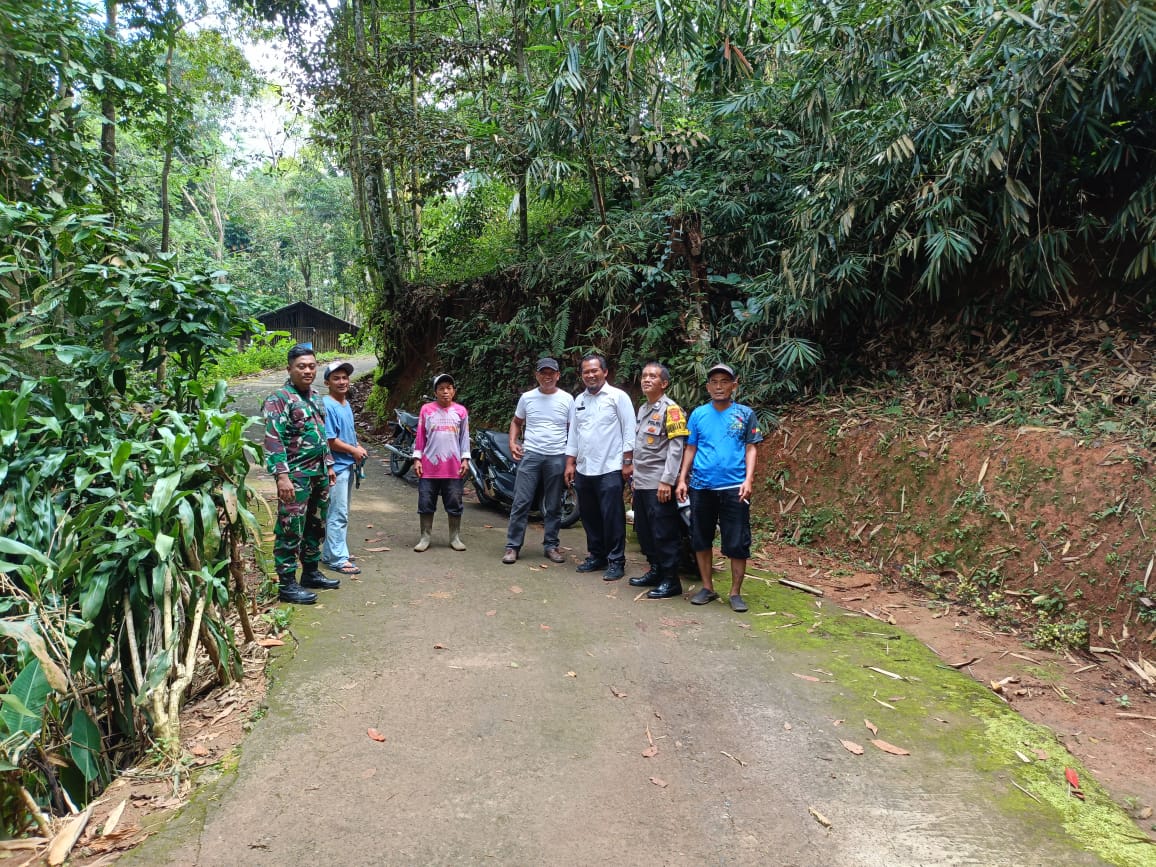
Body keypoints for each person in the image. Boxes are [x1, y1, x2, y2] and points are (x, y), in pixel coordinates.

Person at [675, 362, 763, 612]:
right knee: (701, 538)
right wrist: (682, 479)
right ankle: (707, 588)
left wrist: (748, 479)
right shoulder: (698, 414)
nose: (719, 386)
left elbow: (751, 447)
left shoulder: (745, 414)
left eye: (724, 381)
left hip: (735, 487)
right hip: (701, 486)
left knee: (737, 542)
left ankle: (735, 592)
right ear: (707, 386)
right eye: (714, 382)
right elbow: (690, 447)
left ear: (734, 385)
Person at [263, 344, 340, 605]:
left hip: (318, 474)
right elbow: (274, 440)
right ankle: (287, 585)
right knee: (290, 529)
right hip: (295, 477)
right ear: (289, 368)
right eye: (301, 366)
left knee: (315, 526)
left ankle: (310, 572)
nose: (308, 371)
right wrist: (282, 477)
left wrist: (328, 464)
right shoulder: (279, 399)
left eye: (311, 366)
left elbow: (321, 435)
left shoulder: (316, 397)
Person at [564, 353, 635, 581]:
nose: (590, 375)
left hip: (610, 467)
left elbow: (629, 431)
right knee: (589, 515)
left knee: (612, 516)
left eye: (595, 370)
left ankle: (616, 561)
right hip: (585, 468)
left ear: (605, 372)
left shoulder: (618, 397)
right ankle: (596, 555)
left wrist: (627, 462)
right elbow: (574, 434)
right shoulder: (579, 401)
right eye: (586, 371)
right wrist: (570, 462)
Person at [502, 357, 574, 565]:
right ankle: (512, 546)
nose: (547, 376)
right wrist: (512, 441)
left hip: (557, 455)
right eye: (543, 372)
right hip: (531, 454)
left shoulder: (567, 399)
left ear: (558, 375)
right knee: (521, 501)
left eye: (551, 372)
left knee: (553, 504)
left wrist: (571, 459)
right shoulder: (527, 398)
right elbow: (516, 422)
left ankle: (551, 545)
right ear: (537, 375)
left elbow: (573, 430)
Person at [628, 362, 689, 599]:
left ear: (664, 383)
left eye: (652, 376)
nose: (646, 379)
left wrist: (667, 481)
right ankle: (655, 570)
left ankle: (671, 580)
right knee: (644, 530)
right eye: (644, 375)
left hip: (659, 483)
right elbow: (640, 449)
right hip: (642, 482)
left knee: (664, 532)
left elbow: (677, 448)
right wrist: (634, 478)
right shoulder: (643, 409)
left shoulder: (672, 410)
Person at [413, 373, 471, 552]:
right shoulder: (427, 410)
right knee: (425, 502)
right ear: (435, 392)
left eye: (449, 388)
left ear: (454, 391)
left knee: (454, 502)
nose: (445, 392)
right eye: (441, 389)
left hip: (453, 468)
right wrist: (417, 459)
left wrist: (465, 459)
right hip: (429, 467)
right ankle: (425, 537)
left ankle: (455, 537)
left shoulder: (461, 411)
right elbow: (420, 436)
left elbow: (464, 437)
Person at [321, 360, 369, 575]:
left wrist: (356, 445)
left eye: (345, 377)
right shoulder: (328, 405)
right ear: (327, 382)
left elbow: (347, 432)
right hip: (336, 468)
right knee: (337, 513)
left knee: (341, 511)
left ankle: (333, 551)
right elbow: (330, 440)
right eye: (336, 378)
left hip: (347, 466)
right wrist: (352, 450)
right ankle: (337, 559)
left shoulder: (344, 403)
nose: (342, 382)